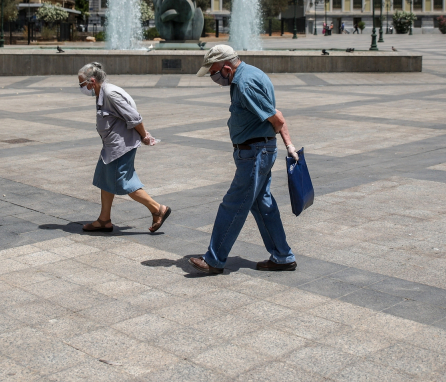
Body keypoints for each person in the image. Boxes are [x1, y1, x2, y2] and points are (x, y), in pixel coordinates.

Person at [189, 45, 297, 275]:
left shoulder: (245, 83)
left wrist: (290, 146)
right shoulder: (252, 73)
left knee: (233, 204)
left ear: (226, 67)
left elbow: (277, 118)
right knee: (262, 204)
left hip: (255, 153)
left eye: (213, 71)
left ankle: (214, 259)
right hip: (258, 150)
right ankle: (282, 256)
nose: (212, 76)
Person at [78, 62, 170, 233]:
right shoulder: (102, 92)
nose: (81, 88)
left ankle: (158, 209)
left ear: (92, 81)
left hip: (120, 147)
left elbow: (134, 117)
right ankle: (104, 220)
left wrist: (145, 136)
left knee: (125, 183)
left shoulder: (110, 94)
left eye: (82, 84)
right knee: (105, 180)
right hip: (111, 146)